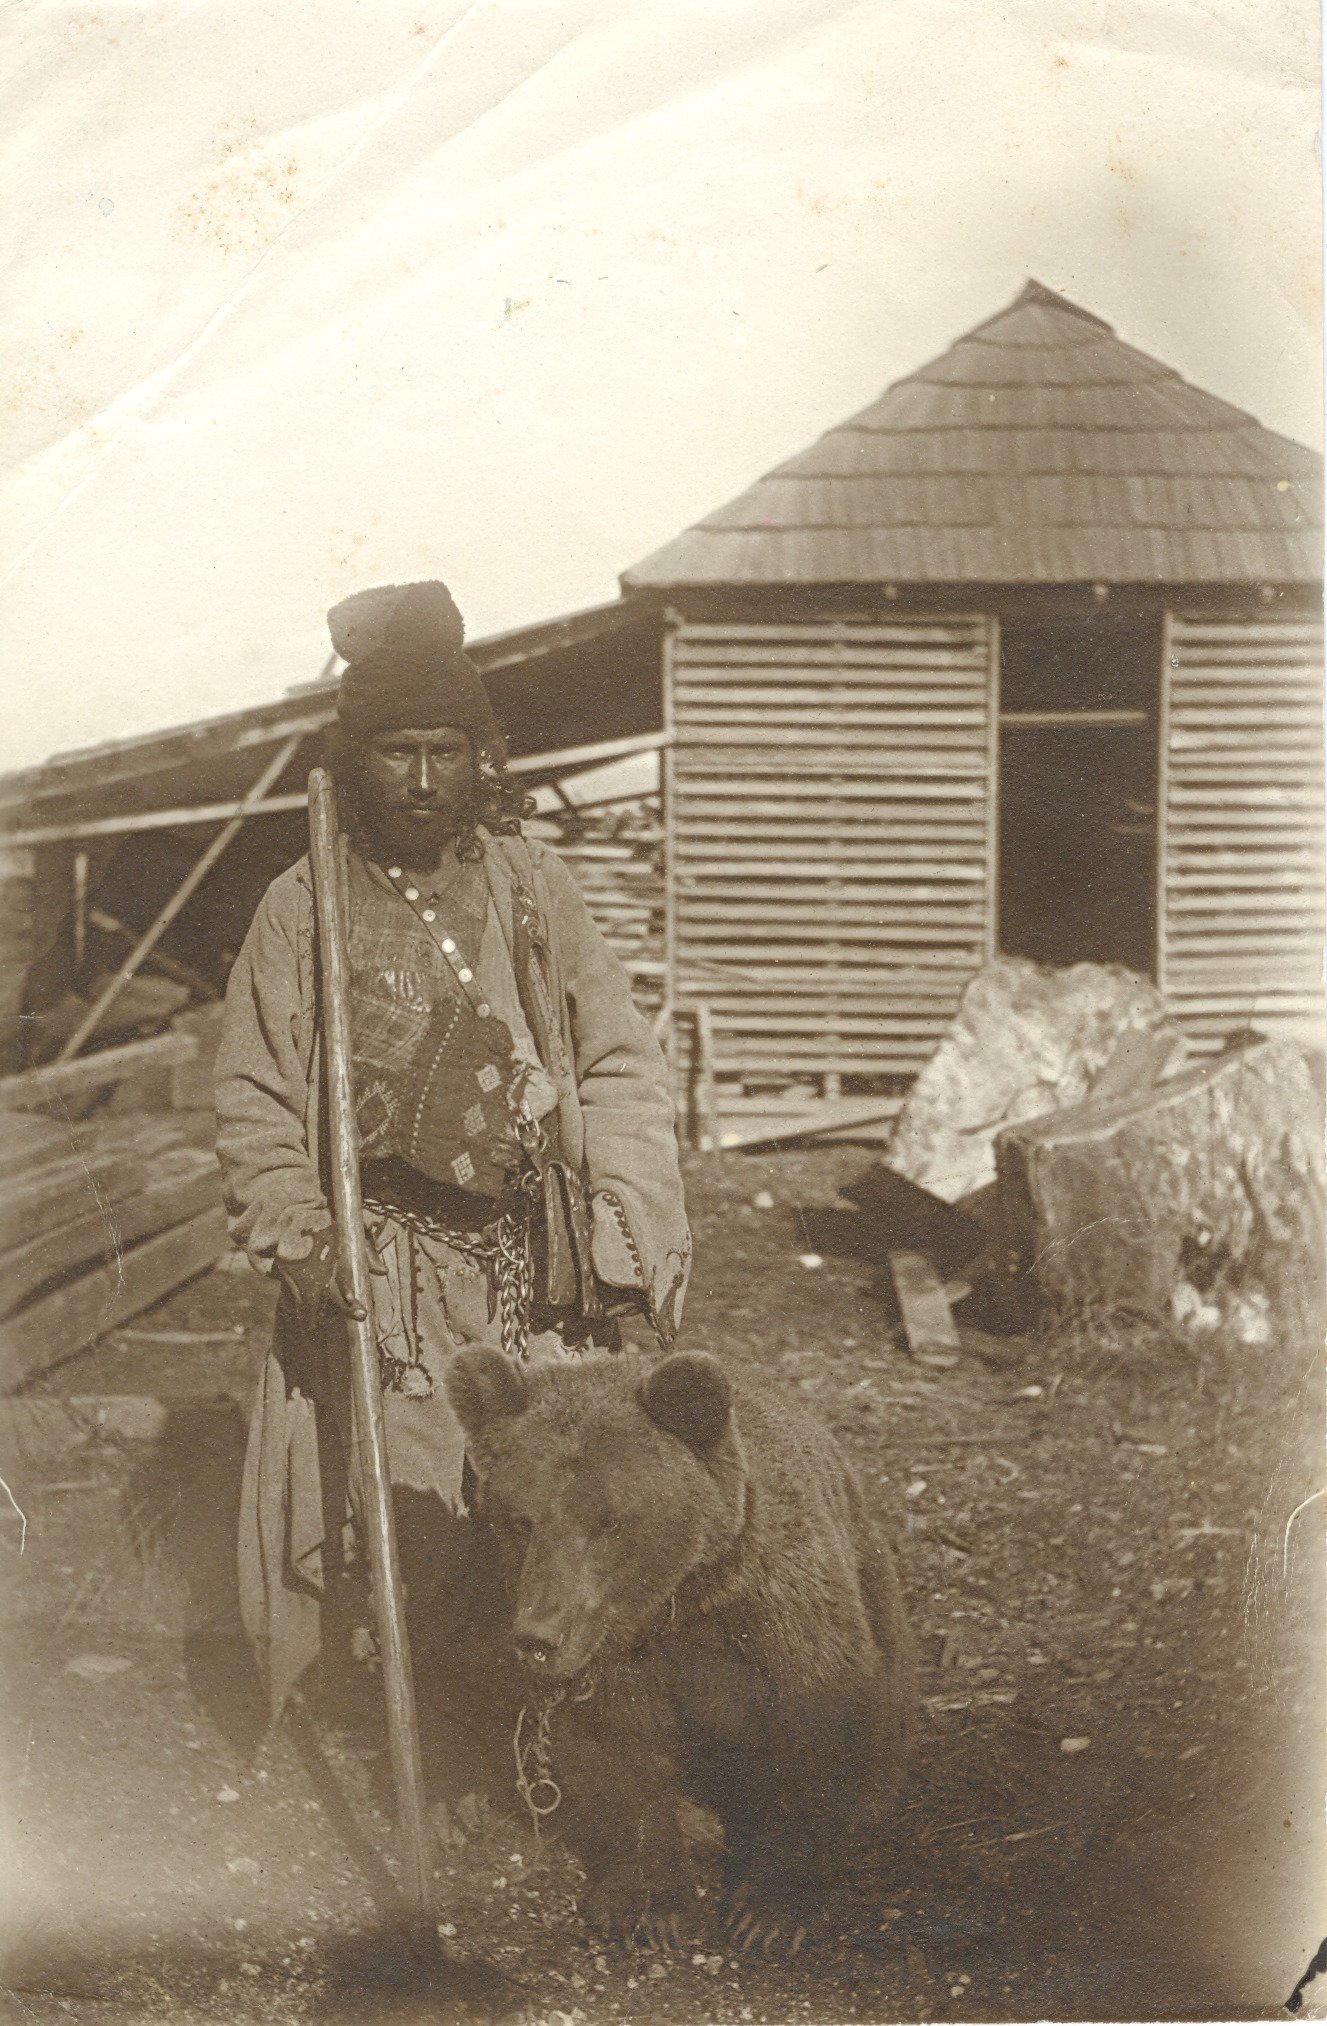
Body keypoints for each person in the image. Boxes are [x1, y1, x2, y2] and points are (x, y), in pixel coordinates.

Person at [215, 580, 690, 1720]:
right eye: (394, 750)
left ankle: (550, 1726)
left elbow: (618, 1062)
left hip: (542, 1263)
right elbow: (254, 1096)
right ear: (353, 757)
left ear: (485, 756)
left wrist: (627, 1231)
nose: (422, 779)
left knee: (553, 1510)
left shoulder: (533, 888)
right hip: (391, 1277)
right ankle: (430, 1723)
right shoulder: (301, 906)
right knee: (418, 1513)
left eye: (447, 748)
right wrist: (296, 1226)